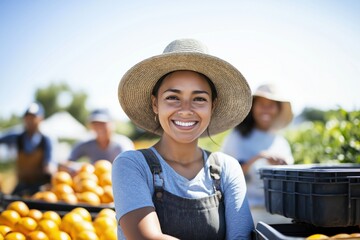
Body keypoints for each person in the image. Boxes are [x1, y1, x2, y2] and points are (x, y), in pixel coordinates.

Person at [112, 39, 255, 240]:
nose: (186, 110)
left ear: (212, 106)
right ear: (155, 104)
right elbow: (146, 237)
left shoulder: (226, 169)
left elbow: (241, 237)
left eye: (199, 99)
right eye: (173, 97)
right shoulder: (131, 165)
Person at [221, 83, 294, 225]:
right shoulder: (237, 138)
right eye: (261, 104)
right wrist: (258, 158)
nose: (266, 110)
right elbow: (225, 175)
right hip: (247, 212)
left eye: (271, 105)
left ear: (277, 110)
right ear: (253, 107)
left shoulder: (280, 142)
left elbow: (290, 181)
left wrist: (282, 165)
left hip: (279, 213)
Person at [0, 102, 53, 197]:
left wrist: (50, 172)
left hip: (39, 187)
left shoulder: (46, 140)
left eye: (33, 118)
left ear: (41, 119)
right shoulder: (17, 137)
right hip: (21, 184)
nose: (30, 121)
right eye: (27, 118)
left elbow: (49, 163)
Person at [60, 108, 134, 172]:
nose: (99, 127)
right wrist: (82, 168)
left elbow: (130, 166)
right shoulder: (86, 144)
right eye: (95, 123)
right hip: (92, 184)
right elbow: (64, 164)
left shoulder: (123, 143)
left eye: (103, 123)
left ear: (112, 124)